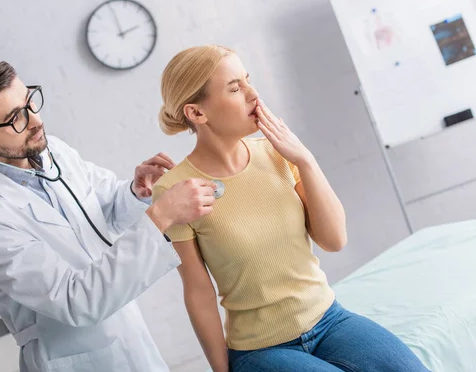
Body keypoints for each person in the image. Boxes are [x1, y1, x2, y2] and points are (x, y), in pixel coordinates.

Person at [152, 45, 430, 372]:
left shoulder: (278, 153)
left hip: (330, 320)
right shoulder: (175, 189)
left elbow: (334, 240)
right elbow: (198, 293)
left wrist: (305, 160)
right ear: (197, 113)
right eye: (235, 88)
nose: (253, 94)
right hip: (259, 350)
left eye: (248, 80)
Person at [0, 59, 217, 372]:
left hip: (129, 341)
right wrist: (161, 217)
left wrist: (134, 193)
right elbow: (76, 301)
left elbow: (101, 216)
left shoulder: (52, 152)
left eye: (30, 102)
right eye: (15, 119)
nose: (35, 121)